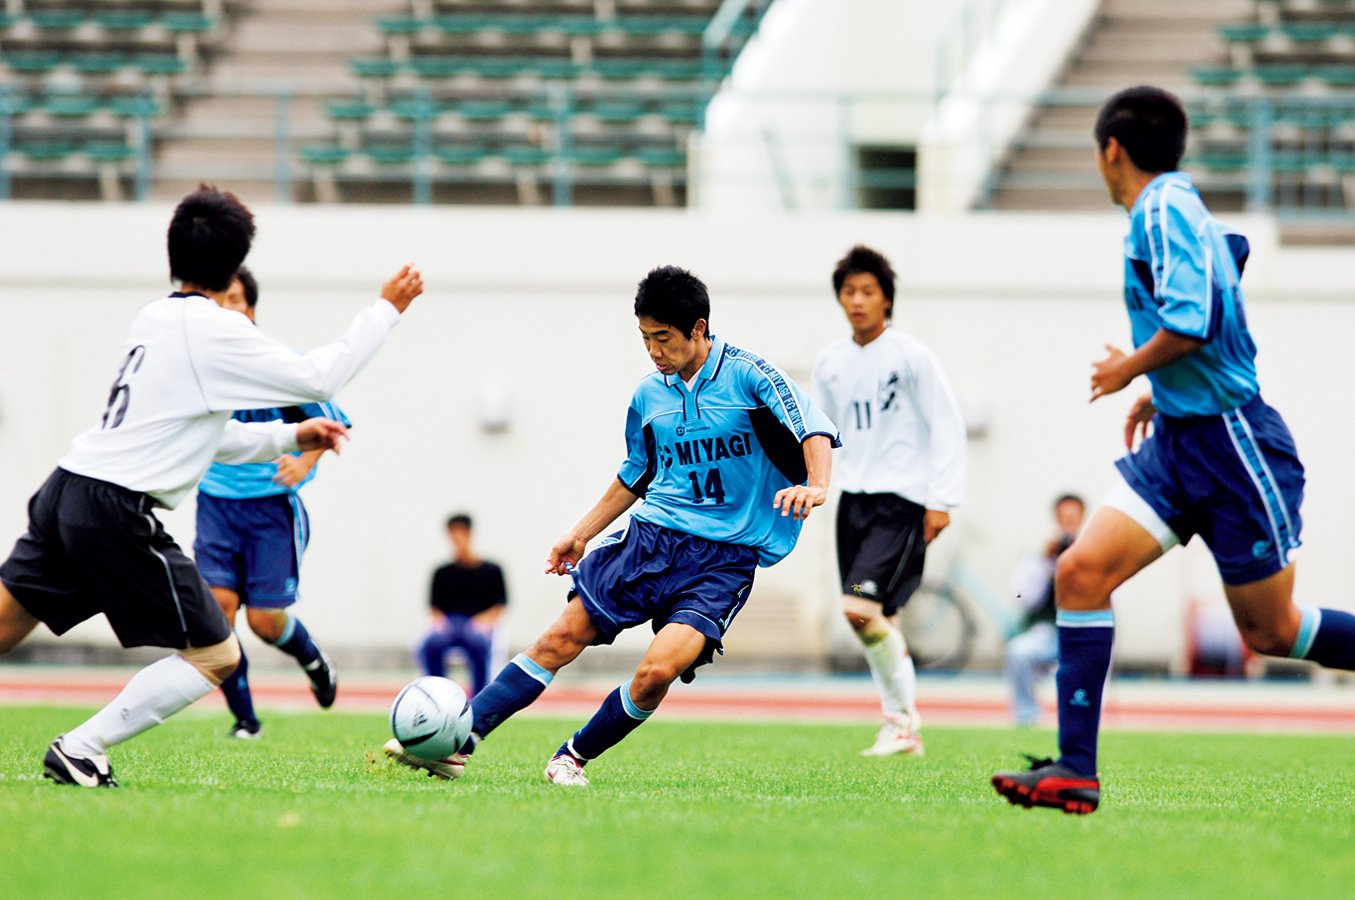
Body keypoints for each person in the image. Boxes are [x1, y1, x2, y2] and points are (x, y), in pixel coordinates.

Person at [992, 86, 1355, 815]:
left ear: (1110, 150)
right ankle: (1074, 769)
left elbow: (1190, 318)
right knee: (1081, 572)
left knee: (1270, 631)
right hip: (1178, 441)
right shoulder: (1178, 209)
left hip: (1232, 445)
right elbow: (1232, 258)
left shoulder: (1157, 211)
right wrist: (1162, 388)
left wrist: (1130, 367)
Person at [0, 184, 423, 787]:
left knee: (7, 623)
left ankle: (83, 746)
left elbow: (198, 439)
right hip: (113, 509)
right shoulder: (216, 330)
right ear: (233, 267)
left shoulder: (152, 317)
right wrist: (387, 308)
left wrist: (287, 439)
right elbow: (319, 373)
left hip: (67, 488)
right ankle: (82, 746)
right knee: (217, 653)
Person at [384, 264, 839, 785]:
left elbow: (814, 429)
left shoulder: (752, 375)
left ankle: (572, 755)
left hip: (723, 560)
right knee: (559, 639)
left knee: (656, 674)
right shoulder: (650, 396)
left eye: (663, 338)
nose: (654, 352)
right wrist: (580, 532)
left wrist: (817, 484)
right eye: (645, 339)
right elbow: (634, 475)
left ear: (698, 328)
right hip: (651, 539)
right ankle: (459, 743)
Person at [812, 245, 967, 757]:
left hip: (900, 503)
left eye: (868, 292)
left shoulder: (911, 357)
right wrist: (812, 483)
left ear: (886, 300)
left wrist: (941, 500)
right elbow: (819, 432)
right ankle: (901, 730)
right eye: (849, 291)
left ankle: (903, 723)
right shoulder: (830, 362)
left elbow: (947, 425)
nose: (857, 301)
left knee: (858, 608)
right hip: (851, 504)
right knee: (884, 618)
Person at [194, 266, 350, 739]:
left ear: (252, 310)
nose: (226, 308)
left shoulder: (278, 365)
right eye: (217, 299)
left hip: (271, 510)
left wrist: (305, 463)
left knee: (264, 621)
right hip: (214, 506)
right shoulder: (196, 367)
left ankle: (313, 659)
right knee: (218, 614)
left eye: (235, 299)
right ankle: (246, 719)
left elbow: (332, 423)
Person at [1004, 494, 1085, 727]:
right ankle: (1027, 718)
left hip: (1081, 634)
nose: (1069, 525)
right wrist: (1044, 563)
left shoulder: (1092, 553)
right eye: (1064, 519)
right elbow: (1020, 596)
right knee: (1018, 652)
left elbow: (1112, 601)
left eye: (1074, 519)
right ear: (1056, 520)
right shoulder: (1039, 557)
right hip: (1048, 632)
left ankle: (1080, 720)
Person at [414, 513, 508, 696]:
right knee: (431, 644)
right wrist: (441, 625)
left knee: (477, 642)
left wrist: (482, 623)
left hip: (478, 624)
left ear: (470, 533)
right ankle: (438, 693)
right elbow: (435, 609)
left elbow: (499, 606)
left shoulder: (492, 571)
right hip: (451, 623)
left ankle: (479, 696)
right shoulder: (441, 573)